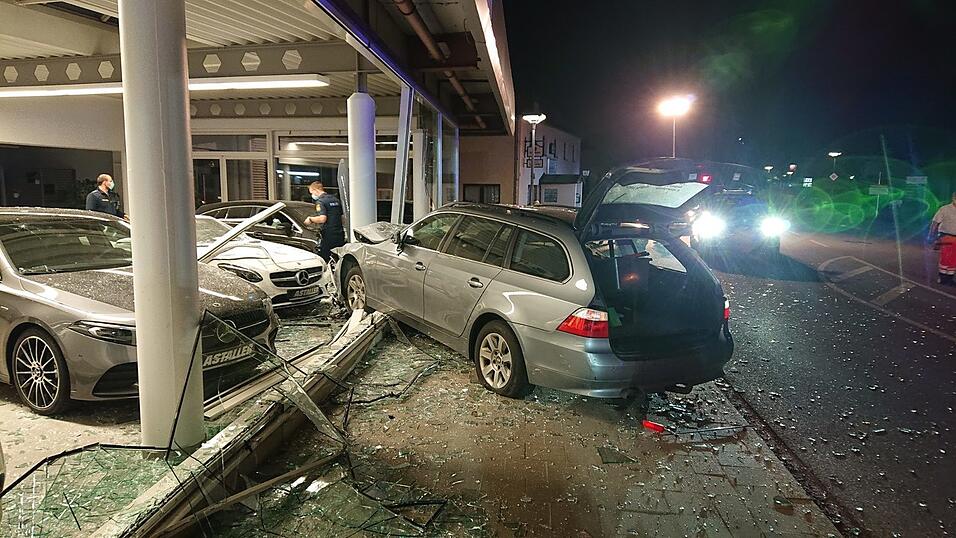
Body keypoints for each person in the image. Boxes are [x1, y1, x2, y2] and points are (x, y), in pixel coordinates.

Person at [304, 181, 345, 261]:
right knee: (338, 258)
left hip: (328, 235)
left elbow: (322, 218)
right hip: (339, 233)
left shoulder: (321, 202)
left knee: (324, 258)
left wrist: (310, 219)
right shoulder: (335, 200)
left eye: (312, 192)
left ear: (316, 190)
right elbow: (342, 218)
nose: (312, 195)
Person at [929, 192, 956, 285]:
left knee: (953, 259)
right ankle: (942, 277)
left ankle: (950, 278)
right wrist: (931, 235)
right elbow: (935, 222)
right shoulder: (944, 209)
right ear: (953, 198)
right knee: (945, 258)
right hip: (946, 237)